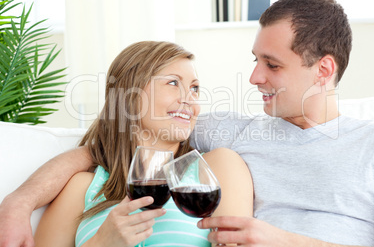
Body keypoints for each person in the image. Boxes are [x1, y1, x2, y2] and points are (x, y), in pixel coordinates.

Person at [1, 0, 374, 246]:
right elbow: (116, 142)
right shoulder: (228, 135)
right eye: (255, 60)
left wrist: (282, 240)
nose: (253, 77)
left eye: (272, 65)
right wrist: (17, 203)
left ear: (324, 69)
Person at [10, 41, 254, 247]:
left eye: (195, 88)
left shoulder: (215, 168)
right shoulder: (83, 186)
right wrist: (101, 243)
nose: (189, 99)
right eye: (173, 83)